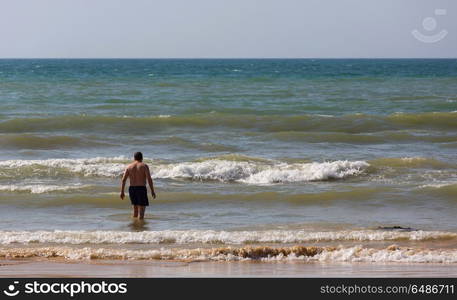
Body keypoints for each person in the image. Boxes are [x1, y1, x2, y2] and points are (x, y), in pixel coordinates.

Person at [120, 152, 156, 219]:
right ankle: (140, 228)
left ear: (134, 158)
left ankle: (135, 227)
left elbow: (123, 180)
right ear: (142, 158)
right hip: (141, 189)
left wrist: (122, 192)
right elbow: (149, 179)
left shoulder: (129, 166)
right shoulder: (144, 166)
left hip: (132, 189)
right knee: (141, 212)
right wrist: (152, 191)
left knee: (135, 211)